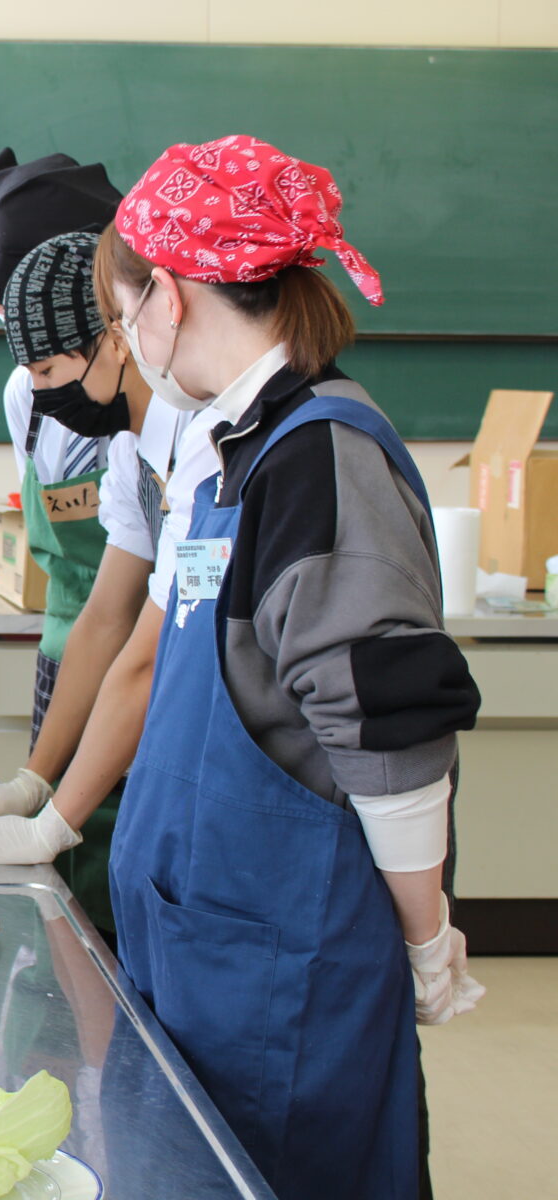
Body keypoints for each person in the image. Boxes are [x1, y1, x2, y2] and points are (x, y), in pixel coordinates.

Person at [98, 136, 485, 1199]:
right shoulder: (233, 449)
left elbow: (387, 724)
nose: (123, 341)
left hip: (282, 964)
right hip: (203, 935)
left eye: (122, 310)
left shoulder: (320, 454)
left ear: (168, 297)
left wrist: (424, 935)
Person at [0, 230, 202, 939]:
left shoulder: (204, 447)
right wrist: (33, 779)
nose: (46, 395)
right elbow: (104, 620)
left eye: (53, 370)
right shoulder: (131, 449)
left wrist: (54, 822)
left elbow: (143, 656)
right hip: (155, 699)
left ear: (115, 337)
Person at [0, 149, 124, 749]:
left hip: (160, 649)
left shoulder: (171, 404)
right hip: (70, 646)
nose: (37, 376)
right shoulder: (24, 394)